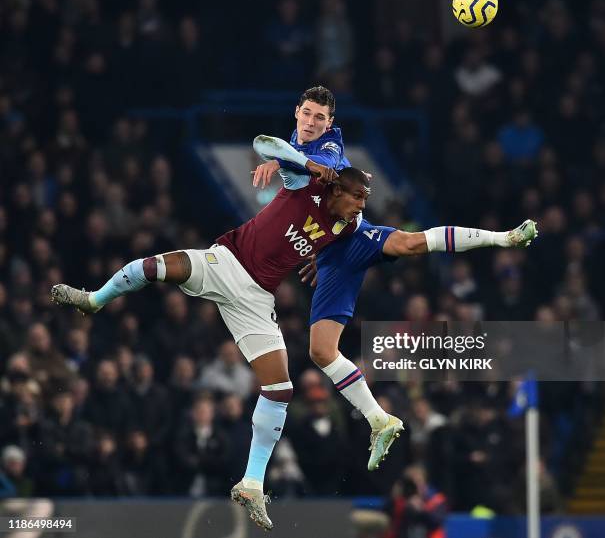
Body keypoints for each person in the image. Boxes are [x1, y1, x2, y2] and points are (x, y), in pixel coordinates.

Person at [50, 86, 368, 530]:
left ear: (329, 125)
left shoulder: (332, 170)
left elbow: (326, 175)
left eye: (320, 118)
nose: (312, 122)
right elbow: (265, 144)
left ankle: (252, 484)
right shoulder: (303, 167)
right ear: (297, 112)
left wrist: (306, 183)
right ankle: (94, 300)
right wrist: (287, 162)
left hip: (257, 298)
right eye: (307, 114)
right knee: (158, 265)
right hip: (228, 261)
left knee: (280, 390)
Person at [253, 154, 538, 474]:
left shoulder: (328, 161)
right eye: (357, 197)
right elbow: (267, 144)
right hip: (334, 261)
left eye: (365, 197)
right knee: (320, 351)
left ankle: (504, 237)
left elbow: (274, 147)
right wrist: (279, 163)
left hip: (358, 241)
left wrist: (282, 162)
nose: (362, 204)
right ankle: (379, 420)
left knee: (412, 242)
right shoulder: (312, 177)